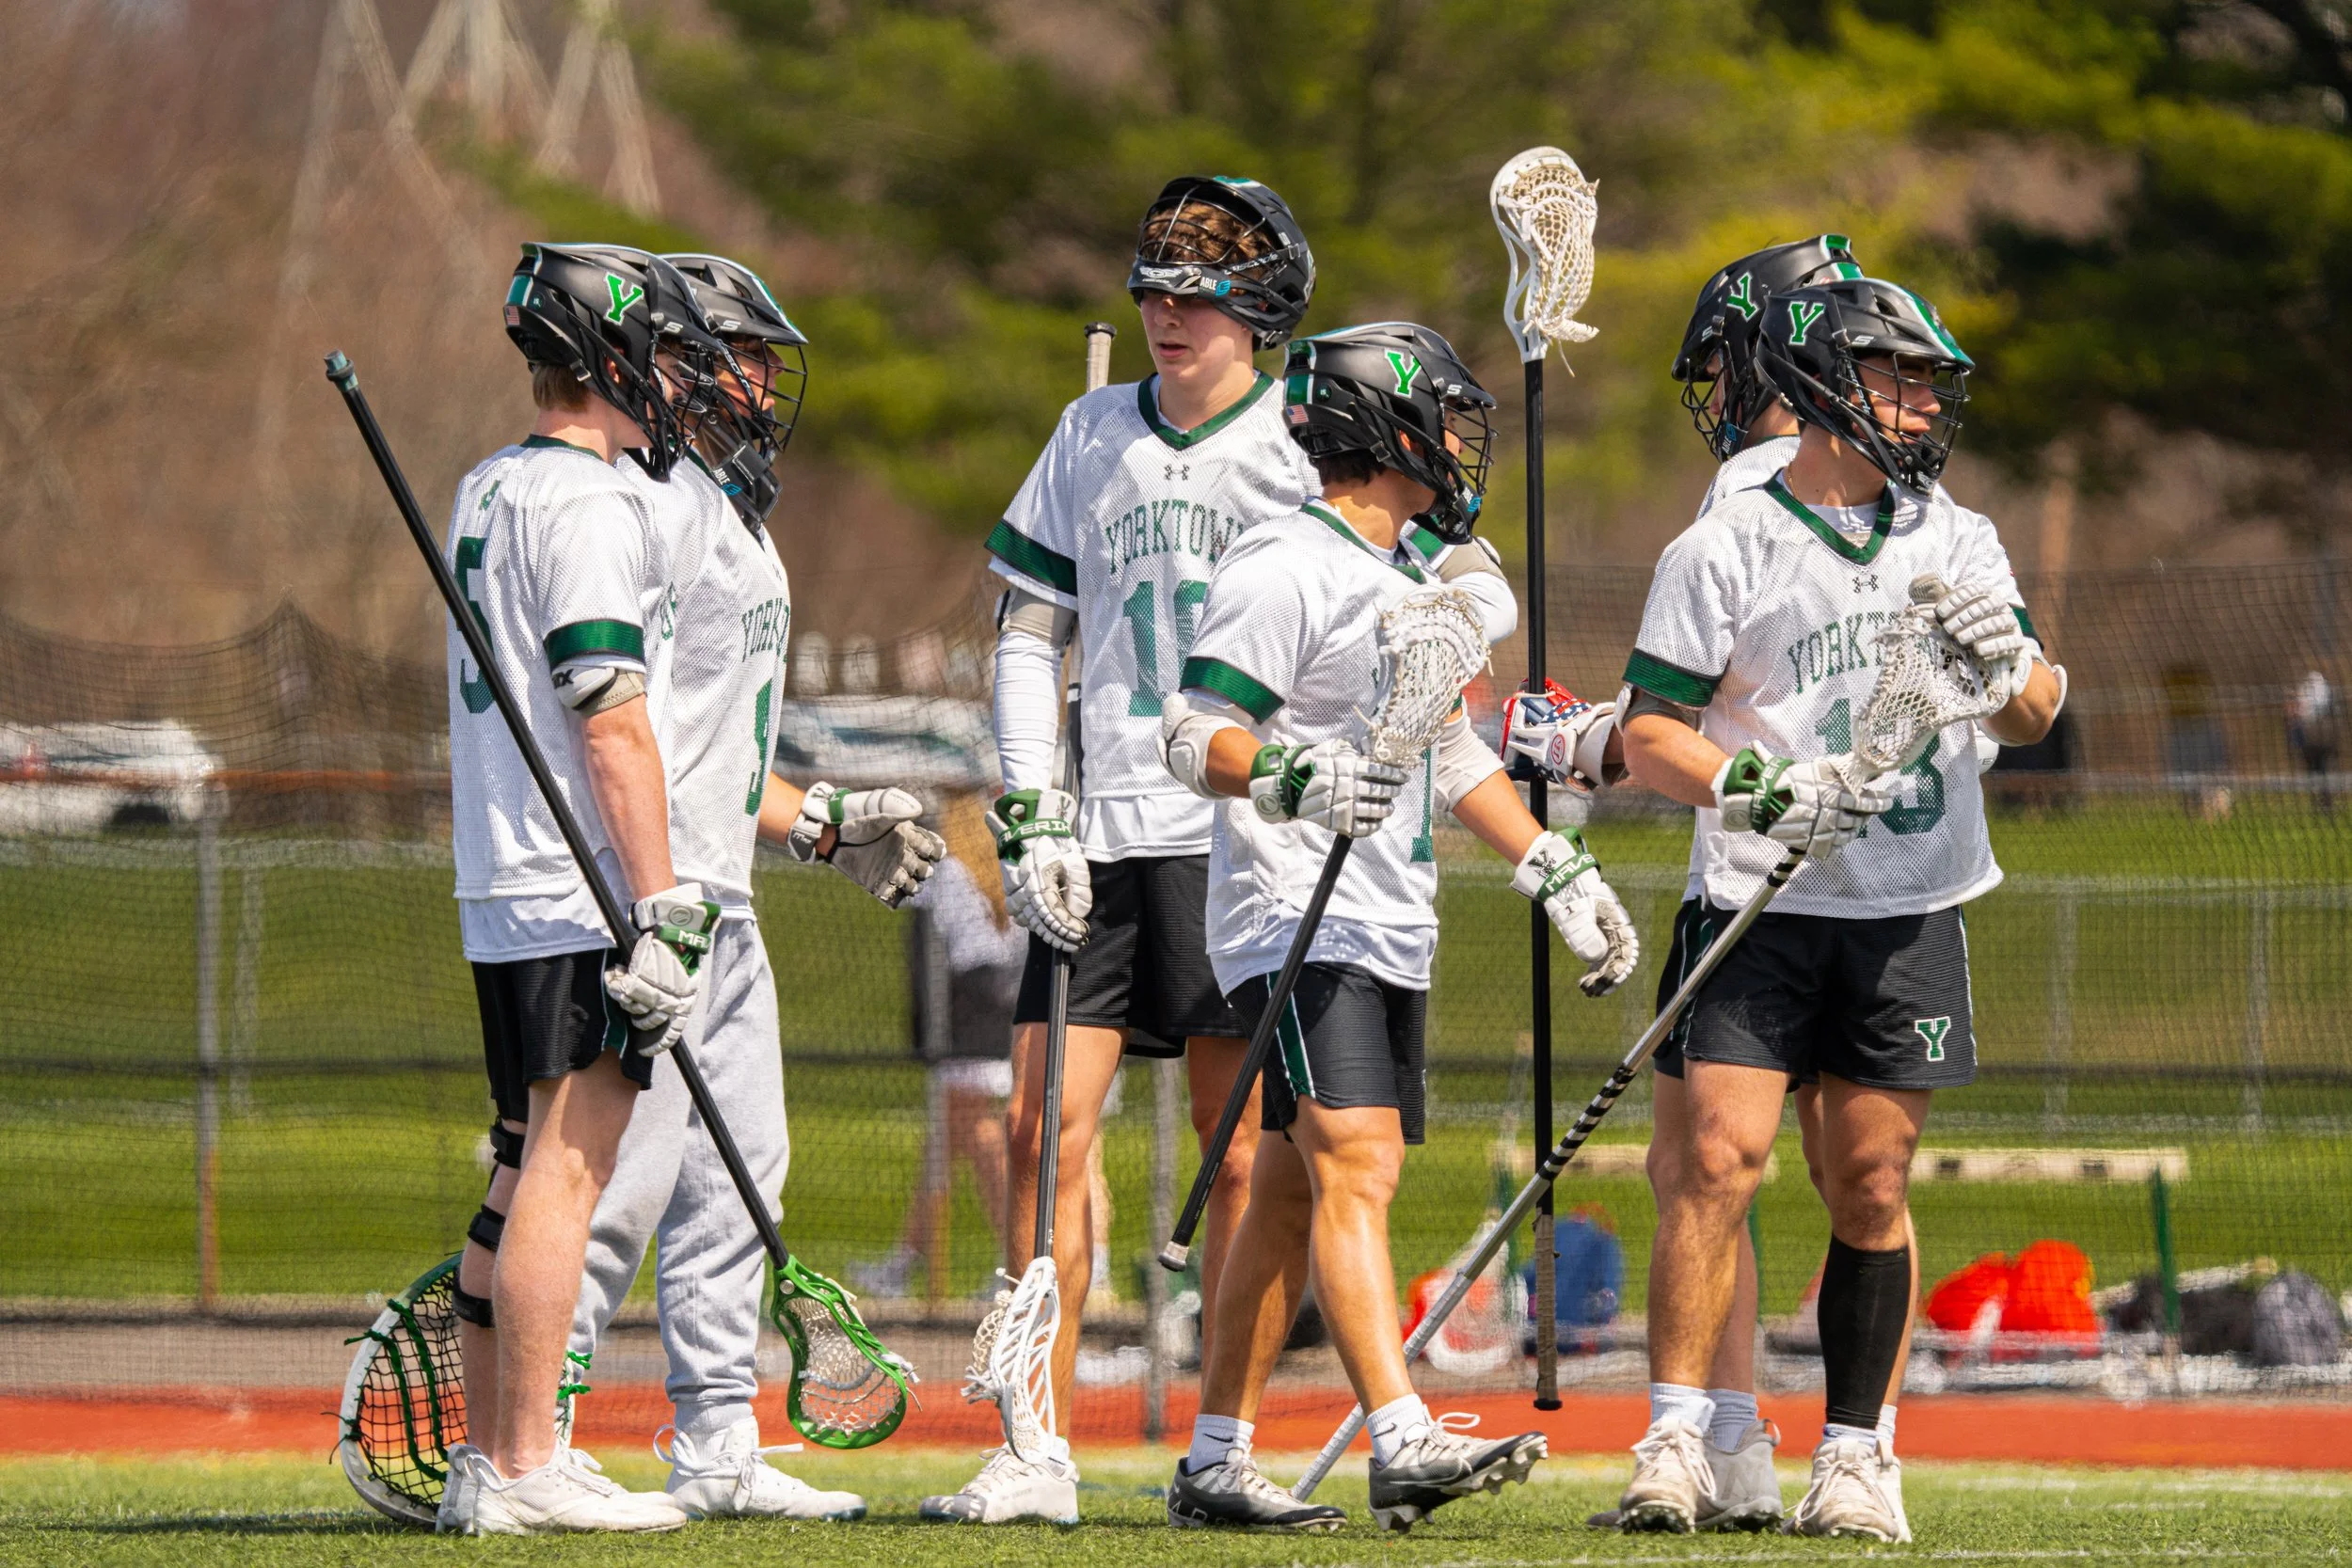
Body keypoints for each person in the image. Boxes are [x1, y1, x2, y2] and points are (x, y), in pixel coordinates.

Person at [927, 174, 1514, 1525]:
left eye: (1194, 294)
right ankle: (1034, 1441)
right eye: (1152, 289)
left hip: (1242, 841)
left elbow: (1442, 584)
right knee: (1039, 1132)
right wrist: (1029, 805)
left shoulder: (1301, 447)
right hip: (1104, 827)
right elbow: (1030, 632)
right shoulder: (1088, 435)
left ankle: (1221, 1446)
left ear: (1260, 312)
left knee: (1251, 1156)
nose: (1165, 314)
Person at [1156, 322, 1639, 1533]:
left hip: (1382, 920)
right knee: (1356, 1161)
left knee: (1282, 1192)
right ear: (1387, 432)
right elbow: (1188, 730)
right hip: (1292, 915)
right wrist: (1292, 780)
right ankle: (1400, 1433)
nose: (1460, 445)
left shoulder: (1400, 583)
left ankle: (1216, 1459)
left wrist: (1551, 866)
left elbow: (1450, 750)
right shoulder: (1287, 563)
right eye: (1441, 419)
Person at [1617, 277, 2063, 1543]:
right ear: (1823, 384)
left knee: (1868, 1176)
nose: (1925, 402)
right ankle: (1675, 1435)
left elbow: (2032, 715)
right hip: (1760, 902)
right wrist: (1761, 784)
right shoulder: (1727, 542)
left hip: (1906, 905)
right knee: (1713, 1162)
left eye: (1932, 381)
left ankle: (1859, 1455)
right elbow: (1651, 731)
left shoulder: (1958, 537)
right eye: (1898, 376)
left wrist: (2009, 666)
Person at [552, 251, 944, 1525]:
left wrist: (821, 819)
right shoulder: (652, 508)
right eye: (749, 356)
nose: (770, 385)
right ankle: (531, 1426)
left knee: (742, 1174)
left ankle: (717, 1435)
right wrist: (653, 897)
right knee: (624, 1177)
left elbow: (727, 745)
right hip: (656, 896)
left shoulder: (733, 514)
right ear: (684, 361)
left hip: (727, 889)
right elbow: (628, 724)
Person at [435, 244, 715, 1534]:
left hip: (500, 872)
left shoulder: (487, 486)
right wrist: (659, 902)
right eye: (657, 352)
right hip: (571, 884)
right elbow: (609, 714)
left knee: (516, 1163)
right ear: (606, 360)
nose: (675, 378)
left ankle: (489, 1456)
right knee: (568, 1160)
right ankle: (530, 1456)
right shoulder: (590, 504)